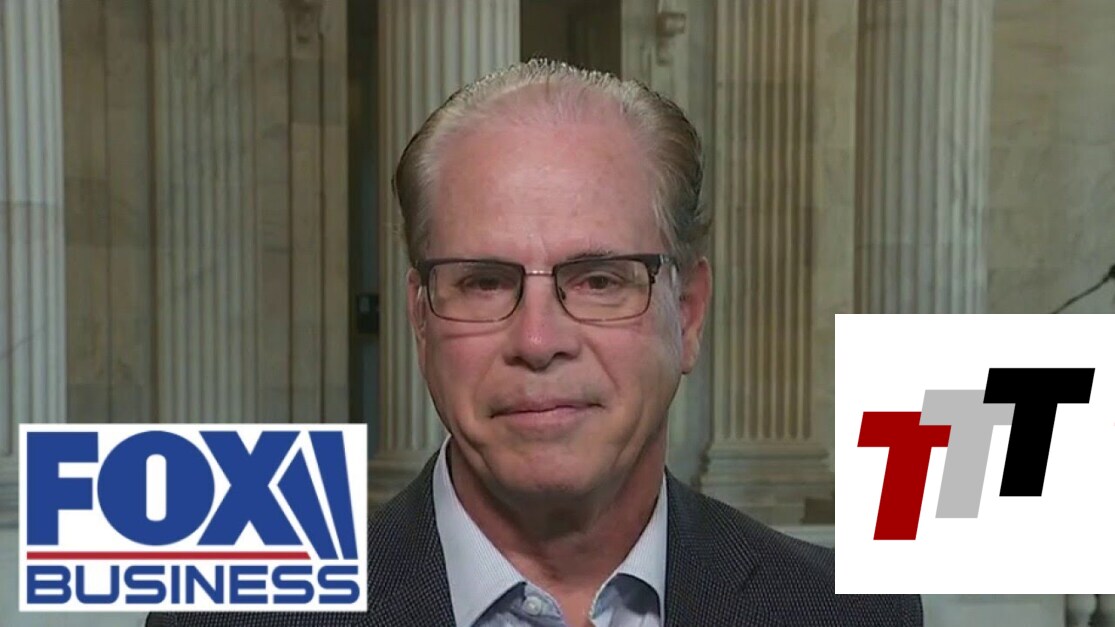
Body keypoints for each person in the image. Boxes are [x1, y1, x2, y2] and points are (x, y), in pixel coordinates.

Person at [149, 59, 921, 626]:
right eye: (483, 282)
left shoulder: (847, 611)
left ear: (686, 312)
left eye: (599, 279)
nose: (538, 339)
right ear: (420, 319)